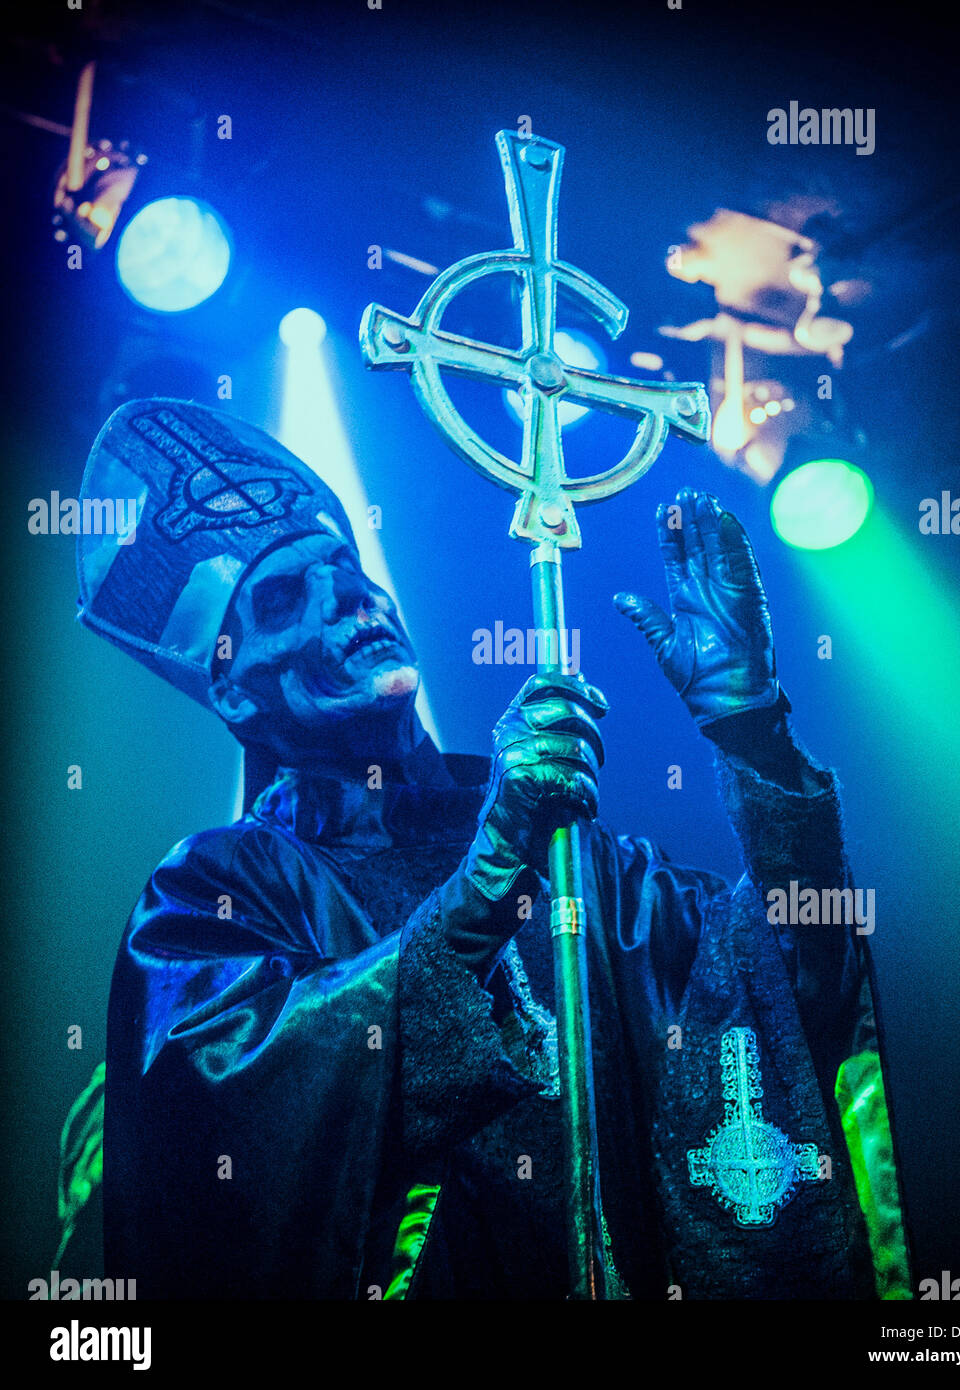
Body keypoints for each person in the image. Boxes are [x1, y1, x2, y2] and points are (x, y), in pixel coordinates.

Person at [76, 397, 911, 1300]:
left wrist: (755, 739)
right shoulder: (214, 892)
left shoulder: (586, 869)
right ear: (235, 693)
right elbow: (228, 1129)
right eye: (283, 599)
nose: (347, 599)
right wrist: (491, 870)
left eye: (346, 568)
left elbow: (794, 988)